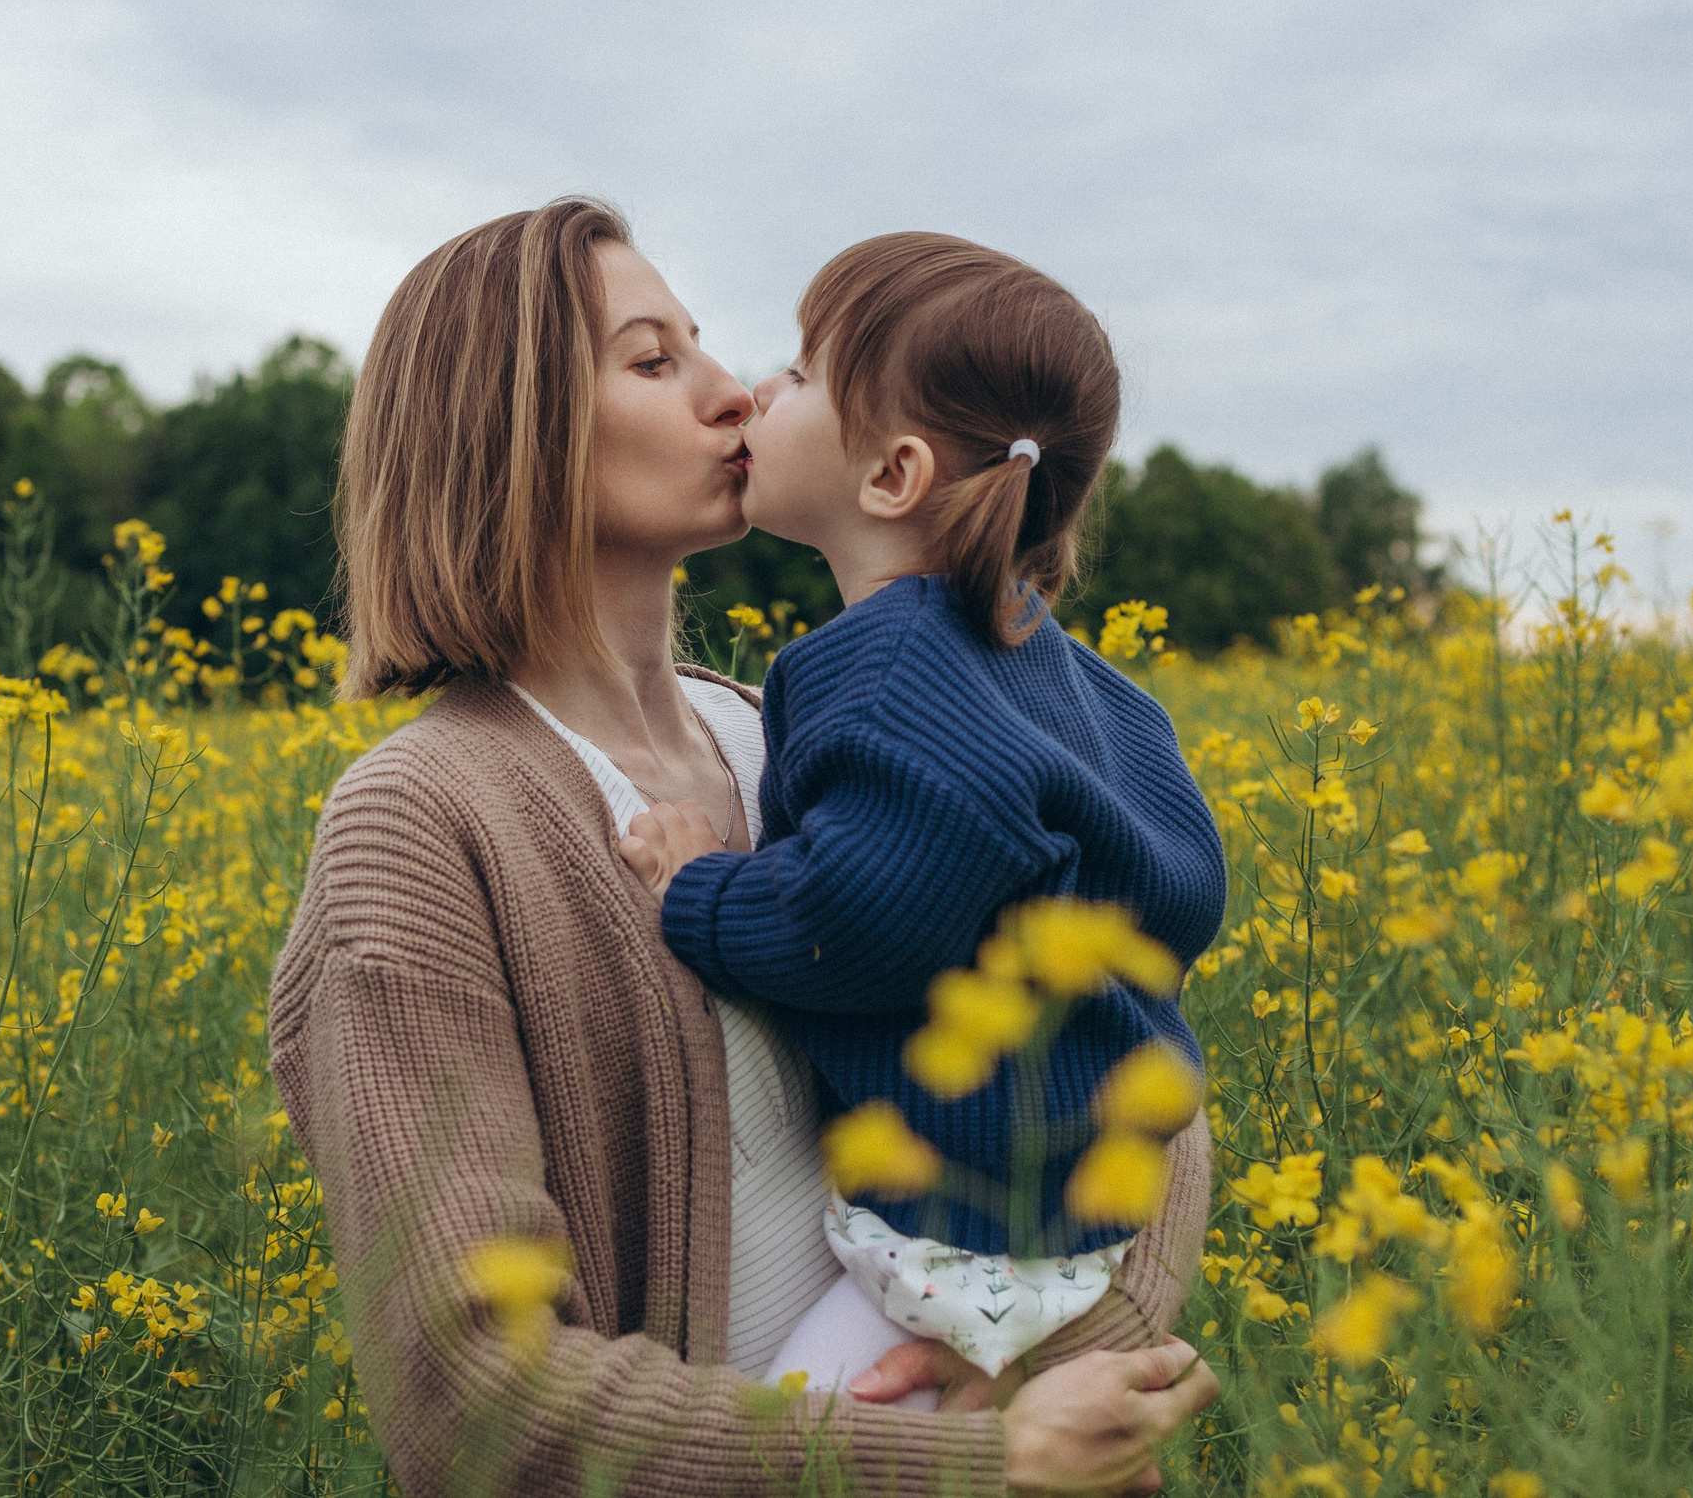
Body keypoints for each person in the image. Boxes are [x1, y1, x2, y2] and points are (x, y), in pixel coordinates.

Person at [267, 198, 1218, 1497]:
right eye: (655, 360)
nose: (734, 392)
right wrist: (959, 1458)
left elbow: (1126, 1054)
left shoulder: (812, 736)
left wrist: (1052, 1353)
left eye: (713, 345)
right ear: (515, 428)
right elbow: (473, 1394)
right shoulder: (423, 823)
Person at [618, 233, 1225, 1406]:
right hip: (1076, 1216)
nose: (754, 388)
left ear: (891, 477)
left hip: (952, 1244)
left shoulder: (888, 669)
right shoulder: (1076, 677)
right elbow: (1174, 885)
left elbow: (850, 922)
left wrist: (699, 885)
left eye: (798, 374)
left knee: (813, 1455)